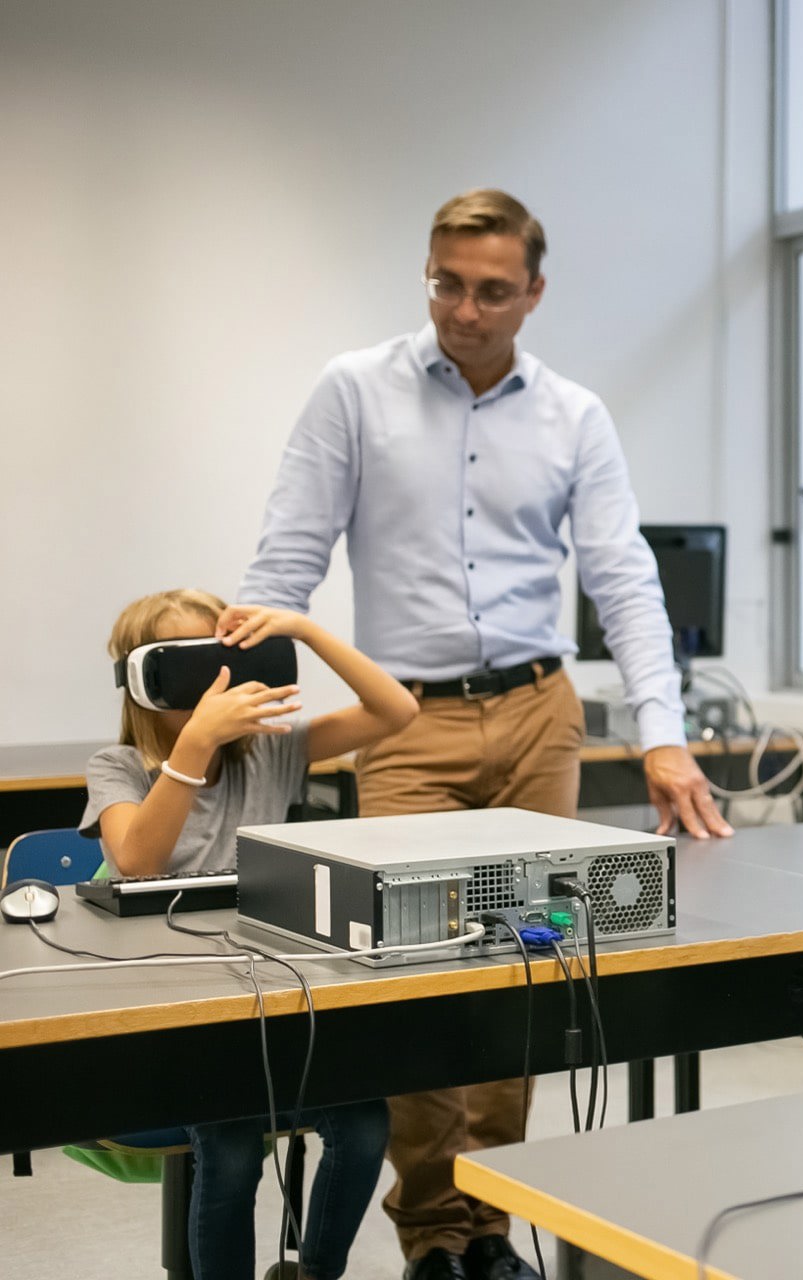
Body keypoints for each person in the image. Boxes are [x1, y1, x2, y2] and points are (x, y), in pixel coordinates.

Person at [235, 189, 728, 1280]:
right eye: (446, 283)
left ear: (533, 293)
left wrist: (664, 733)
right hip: (404, 720)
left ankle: (491, 1222)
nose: (465, 308)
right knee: (421, 976)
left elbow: (625, 581)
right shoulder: (353, 391)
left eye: (492, 290)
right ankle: (432, 1232)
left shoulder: (575, 416)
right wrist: (235, 723)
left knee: (526, 968)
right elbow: (285, 565)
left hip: (539, 710)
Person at [82, 589, 418, 1280]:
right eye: (196, 671)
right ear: (150, 682)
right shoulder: (115, 768)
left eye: (229, 662)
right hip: (180, 1012)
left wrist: (305, 631)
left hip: (271, 998)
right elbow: (138, 860)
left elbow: (397, 710)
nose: (220, 687)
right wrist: (196, 745)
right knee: (230, 1148)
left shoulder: (273, 750)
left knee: (363, 1127)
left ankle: (315, 1272)